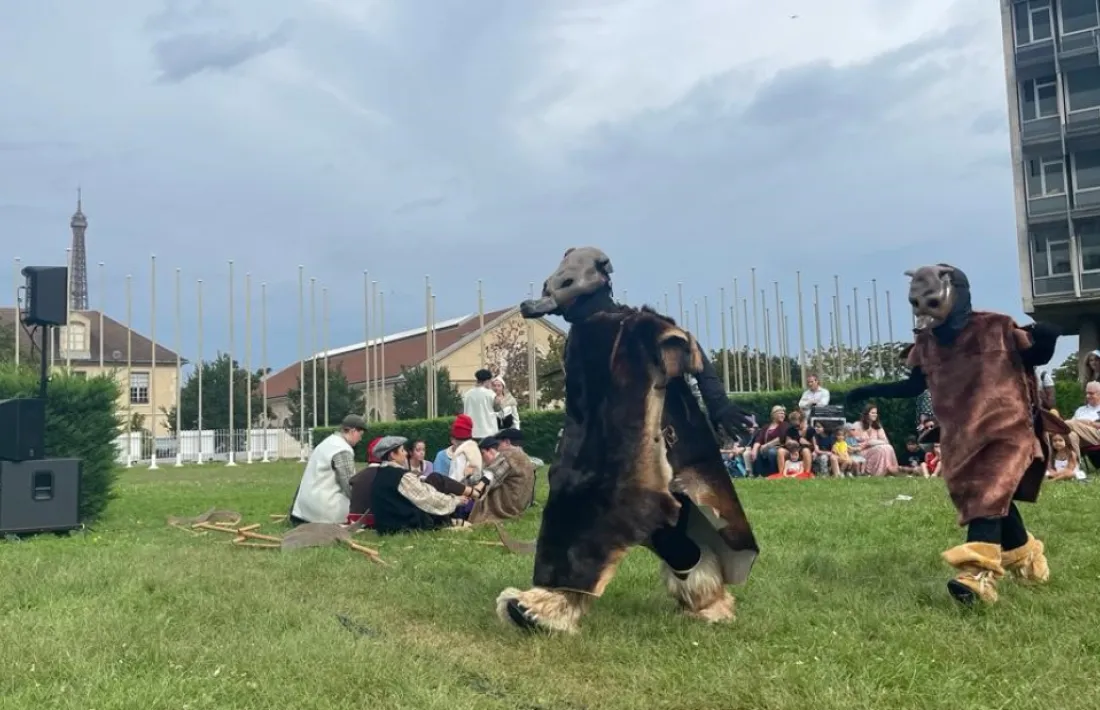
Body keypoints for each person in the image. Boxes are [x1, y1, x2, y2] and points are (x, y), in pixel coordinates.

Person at [495, 246, 758, 634]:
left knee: (634, 519)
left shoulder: (636, 327)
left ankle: (560, 603)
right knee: (605, 519)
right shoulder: (579, 339)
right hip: (590, 451)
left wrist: (718, 405)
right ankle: (701, 595)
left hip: (641, 454)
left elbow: (691, 352)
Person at [848, 263, 1060, 606]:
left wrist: (1048, 335)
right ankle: (1027, 555)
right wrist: (870, 389)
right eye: (916, 302)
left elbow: (1033, 354)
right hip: (962, 435)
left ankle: (977, 575)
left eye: (931, 300)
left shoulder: (995, 327)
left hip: (1007, 428)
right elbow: (915, 385)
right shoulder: (927, 345)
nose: (923, 311)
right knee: (987, 497)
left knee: (989, 491)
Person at [370, 436, 472, 535]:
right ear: (393, 455)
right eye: (402, 451)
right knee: (434, 488)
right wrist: (455, 501)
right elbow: (427, 498)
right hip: (403, 526)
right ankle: (469, 500)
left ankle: (456, 516)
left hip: (386, 526)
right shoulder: (401, 476)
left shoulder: (381, 473)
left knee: (435, 480)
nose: (406, 453)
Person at [288, 414, 365, 525]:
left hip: (303, 509)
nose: (360, 439)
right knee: (358, 509)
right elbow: (349, 485)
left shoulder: (328, 442)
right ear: (353, 431)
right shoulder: (343, 449)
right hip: (321, 509)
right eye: (360, 435)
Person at [462, 369, 499, 439]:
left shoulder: (467, 394)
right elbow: (498, 408)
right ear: (487, 381)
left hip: (471, 433)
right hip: (489, 433)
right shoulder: (491, 394)